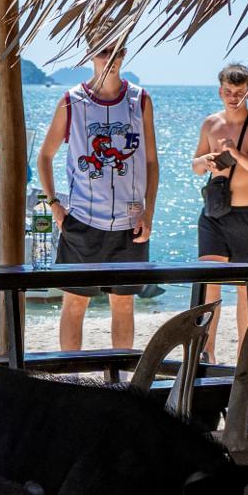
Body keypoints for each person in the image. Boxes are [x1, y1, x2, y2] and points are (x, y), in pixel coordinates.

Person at [35, 42, 158, 352]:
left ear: (125, 55)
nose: (110, 60)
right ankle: (70, 380)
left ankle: (119, 385)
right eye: (103, 52)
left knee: (124, 305)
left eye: (116, 53)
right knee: (75, 305)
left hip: (130, 225)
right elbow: (45, 156)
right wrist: (54, 205)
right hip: (83, 223)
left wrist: (148, 213)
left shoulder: (140, 100)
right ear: (91, 55)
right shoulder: (71, 101)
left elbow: (151, 161)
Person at [190, 62, 248, 350]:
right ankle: (206, 354)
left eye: (239, 92)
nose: (233, 97)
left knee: (244, 289)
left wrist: (236, 154)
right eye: (228, 91)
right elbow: (195, 166)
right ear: (220, 91)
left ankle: (246, 355)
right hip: (214, 215)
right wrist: (206, 161)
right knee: (209, 284)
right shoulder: (210, 123)